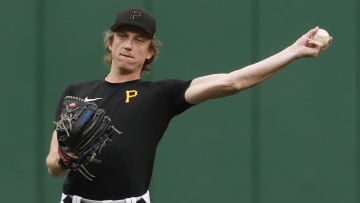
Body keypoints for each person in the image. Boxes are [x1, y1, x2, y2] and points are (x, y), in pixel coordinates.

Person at [46, 7, 332, 203]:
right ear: (110, 43)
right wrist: (67, 158)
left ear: (150, 52)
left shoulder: (159, 95)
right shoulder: (76, 93)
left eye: (139, 39)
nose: (128, 45)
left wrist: (293, 52)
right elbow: (52, 167)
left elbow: (232, 82)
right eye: (122, 36)